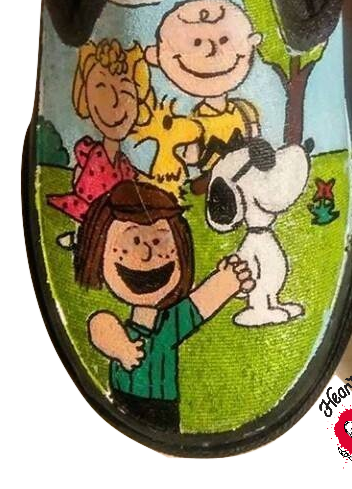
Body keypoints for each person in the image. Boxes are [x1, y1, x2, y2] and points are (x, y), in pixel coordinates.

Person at [75, 181, 255, 432]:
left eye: (159, 240)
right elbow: (100, 324)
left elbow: (199, 304)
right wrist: (121, 348)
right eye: (134, 240)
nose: (147, 254)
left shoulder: (171, 323)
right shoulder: (144, 328)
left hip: (165, 406)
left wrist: (226, 282)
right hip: (124, 398)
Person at [145, 0, 263, 172]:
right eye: (197, 43)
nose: (211, 50)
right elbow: (192, 158)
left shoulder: (245, 110)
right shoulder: (195, 124)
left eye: (224, 39)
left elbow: (258, 145)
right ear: (156, 57)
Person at [48, 39, 151, 225]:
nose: (115, 102)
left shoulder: (124, 164)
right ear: (85, 97)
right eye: (101, 89)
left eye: (126, 92)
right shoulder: (90, 153)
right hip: (88, 214)